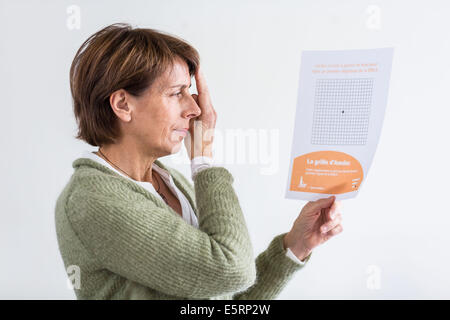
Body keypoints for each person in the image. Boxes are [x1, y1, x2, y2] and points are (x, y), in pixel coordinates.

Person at [55, 23, 344, 300]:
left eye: (190, 92)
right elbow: (232, 269)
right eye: (176, 93)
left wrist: (295, 246)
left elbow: (226, 297)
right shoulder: (93, 200)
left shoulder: (169, 182)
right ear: (122, 104)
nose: (195, 109)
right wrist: (203, 161)